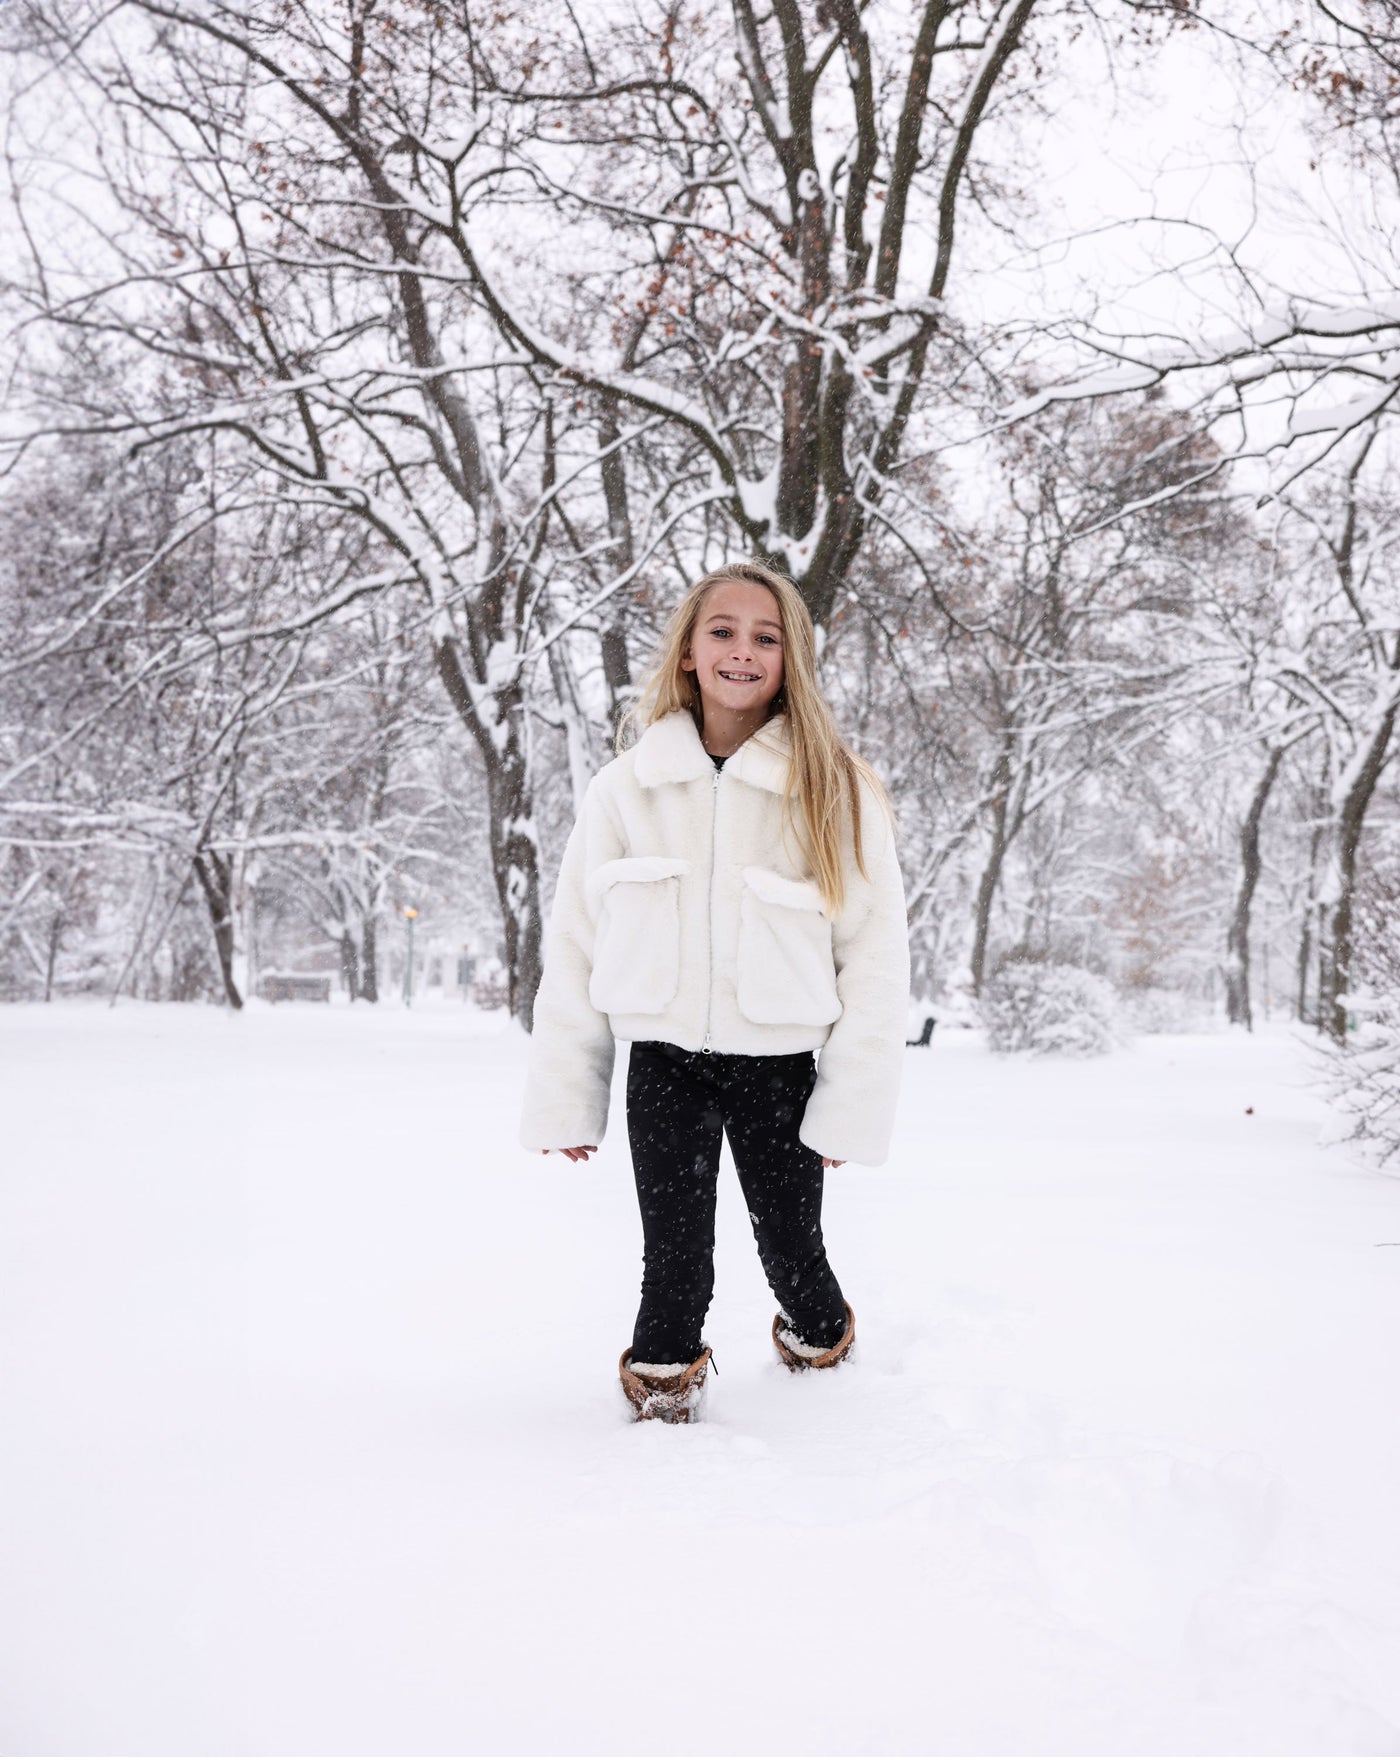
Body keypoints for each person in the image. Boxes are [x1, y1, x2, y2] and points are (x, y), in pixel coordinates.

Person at [519, 559, 910, 1422]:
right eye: (722, 631)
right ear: (689, 651)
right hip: (665, 1065)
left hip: (779, 1068)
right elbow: (577, 946)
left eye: (766, 636)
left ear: (790, 657)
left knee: (792, 1250)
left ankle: (821, 1337)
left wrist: (850, 1105)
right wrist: (566, 1096)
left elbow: (874, 955)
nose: (743, 650)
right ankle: (661, 1396)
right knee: (675, 1258)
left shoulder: (832, 787)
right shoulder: (626, 788)